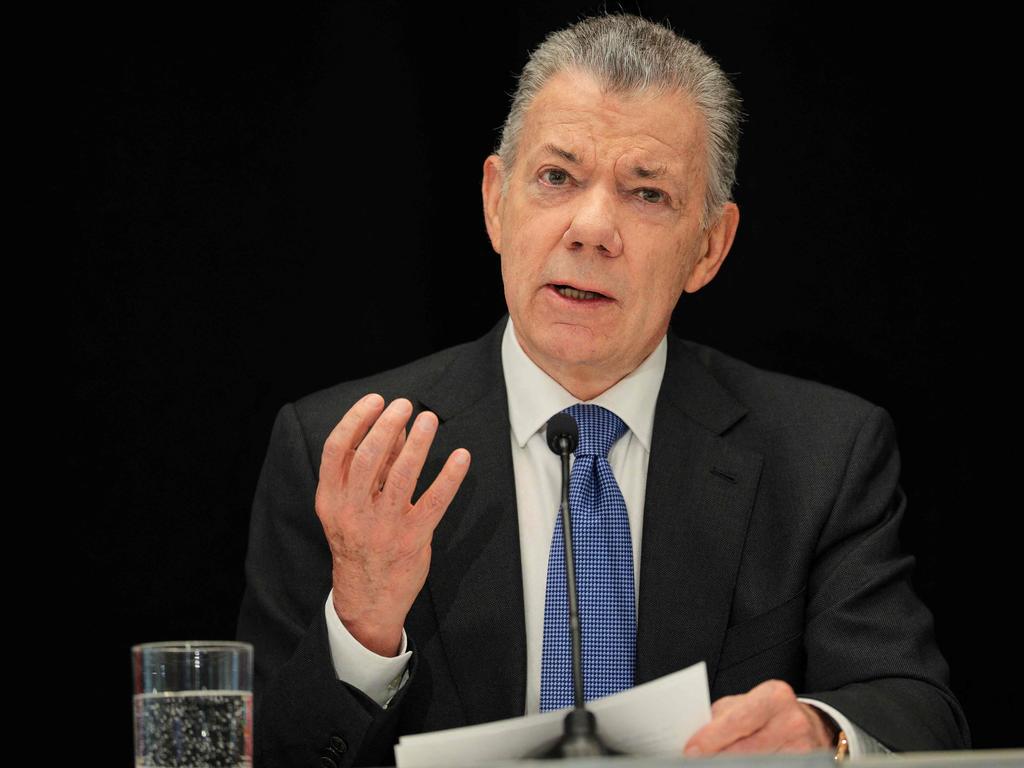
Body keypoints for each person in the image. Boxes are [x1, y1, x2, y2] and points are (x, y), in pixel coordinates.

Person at [236, 12, 969, 766]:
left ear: (709, 247)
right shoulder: (347, 449)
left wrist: (821, 736)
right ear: (496, 200)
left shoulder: (822, 455)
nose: (592, 229)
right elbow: (258, 750)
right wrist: (361, 635)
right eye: (557, 177)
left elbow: (914, 709)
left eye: (646, 194)